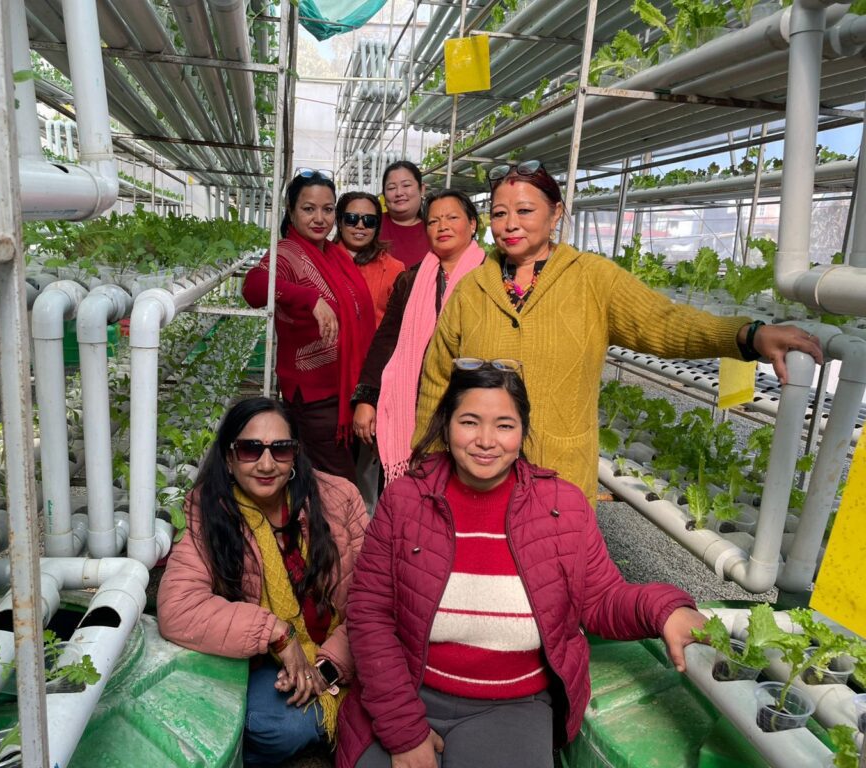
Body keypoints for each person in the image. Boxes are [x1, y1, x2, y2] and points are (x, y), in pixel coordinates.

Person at [336, 363, 708, 768]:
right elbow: (370, 614)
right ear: (446, 425)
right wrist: (403, 732)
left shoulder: (561, 507)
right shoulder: (406, 500)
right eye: (469, 422)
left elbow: (601, 598)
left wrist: (666, 610)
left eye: (504, 425)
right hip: (408, 691)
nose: (485, 441)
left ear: (523, 431)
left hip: (510, 706)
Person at [414, 160, 824, 504]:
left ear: (556, 214)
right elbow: (437, 380)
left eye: (524, 211)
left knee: (554, 588)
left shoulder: (592, 279)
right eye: (500, 214)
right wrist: (429, 467)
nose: (510, 224)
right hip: (475, 480)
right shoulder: (473, 288)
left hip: (559, 483)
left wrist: (746, 336)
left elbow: (665, 323)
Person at [157, 397, 369, 766]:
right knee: (271, 727)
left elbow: (372, 600)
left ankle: (339, 711)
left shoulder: (339, 497)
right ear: (228, 457)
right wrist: (278, 635)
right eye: (250, 449)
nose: (267, 463)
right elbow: (179, 606)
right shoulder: (208, 510)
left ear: (296, 455)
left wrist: (328, 667)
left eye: (280, 449)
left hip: (347, 649)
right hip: (270, 663)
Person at [243, 170, 376, 483]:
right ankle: (335, 533)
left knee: (329, 485)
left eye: (327, 209)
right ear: (291, 211)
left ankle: (323, 531)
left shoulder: (333, 254)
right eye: (308, 208)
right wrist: (309, 297)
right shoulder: (286, 253)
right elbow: (253, 288)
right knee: (340, 487)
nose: (320, 218)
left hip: (345, 392)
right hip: (316, 399)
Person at [352, 190, 487, 483]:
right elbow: (386, 341)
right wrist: (367, 398)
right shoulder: (412, 280)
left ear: (472, 224)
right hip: (415, 404)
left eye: (452, 218)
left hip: (474, 402)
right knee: (413, 493)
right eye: (434, 221)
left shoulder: (492, 277)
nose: (442, 226)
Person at [334, 191, 405, 328]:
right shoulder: (322, 261)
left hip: (374, 347)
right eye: (351, 219)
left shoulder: (394, 268)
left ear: (377, 227)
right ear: (339, 222)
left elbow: (398, 324)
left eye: (369, 221)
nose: (360, 225)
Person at [380, 161, 431, 269]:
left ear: (422, 189)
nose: (399, 193)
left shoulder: (434, 228)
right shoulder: (371, 224)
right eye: (391, 188)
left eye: (406, 185)